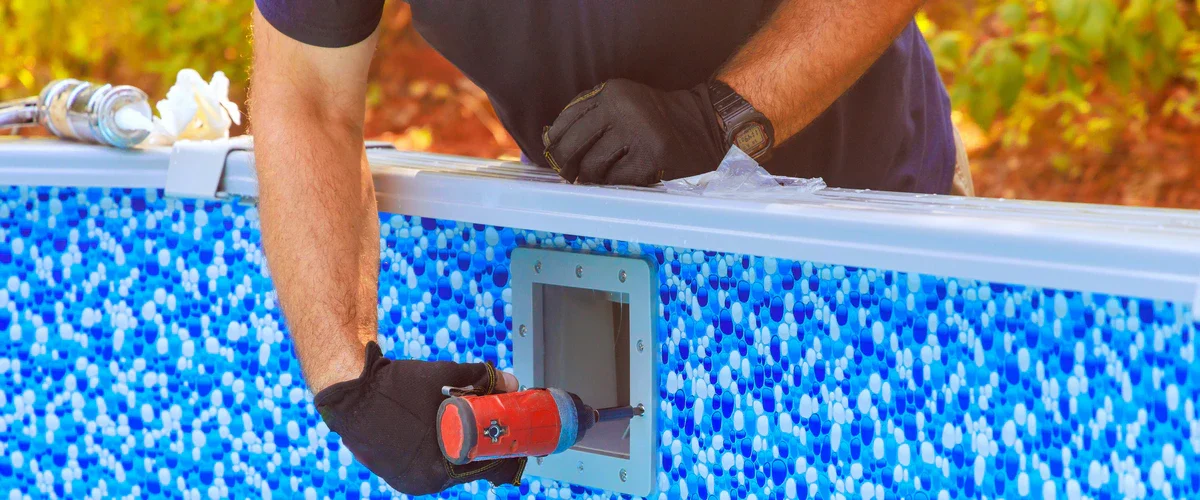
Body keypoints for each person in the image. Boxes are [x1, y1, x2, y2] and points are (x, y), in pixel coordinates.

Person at [249, 1, 967, 495]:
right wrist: (349, 382)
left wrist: (722, 115)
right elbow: (306, 95)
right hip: (633, 239)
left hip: (871, 209)